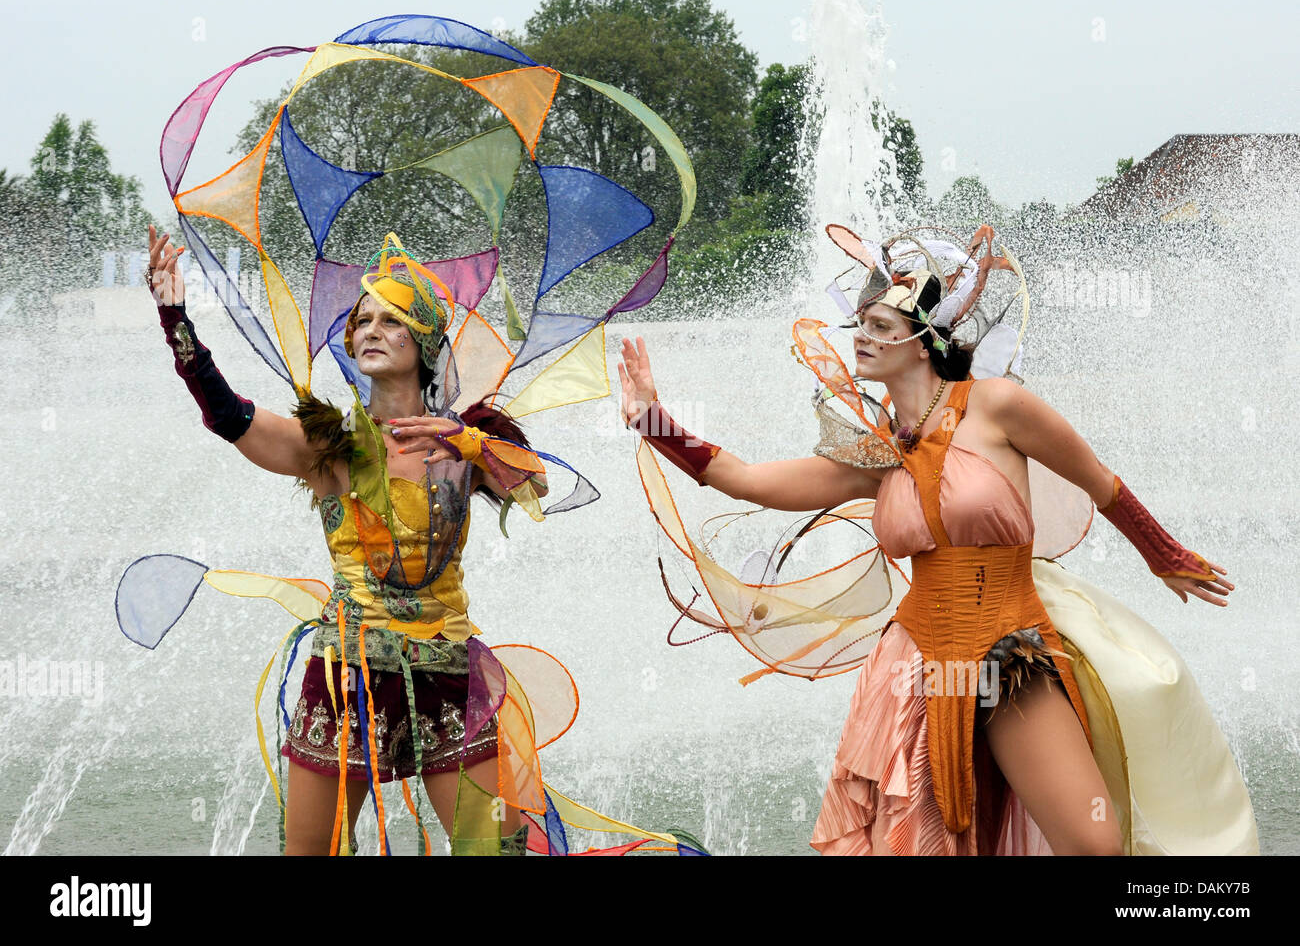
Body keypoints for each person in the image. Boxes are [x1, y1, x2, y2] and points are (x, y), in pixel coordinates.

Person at [618, 222, 1258, 855]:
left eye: (880, 327)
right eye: (860, 323)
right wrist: (654, 418)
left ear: (923, 342)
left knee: (1093, 844)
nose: (861, 338)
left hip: (1013, 655)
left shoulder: (998, 406)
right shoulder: (874, 455)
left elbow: (1101, 482)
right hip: (914, 665)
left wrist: (1164, 555)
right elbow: (744, 480)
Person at [140, 225, 693, 856]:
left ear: (424, 342)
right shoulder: (330, 445)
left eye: (392, 320)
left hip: (447, 671)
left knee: (490, 851)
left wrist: (473, 444)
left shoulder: (469, 440)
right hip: (347, 674)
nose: (371, 329)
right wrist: (174, 318)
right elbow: (227, 414)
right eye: (362, 320)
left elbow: (544, 483)